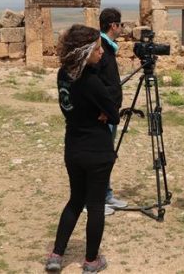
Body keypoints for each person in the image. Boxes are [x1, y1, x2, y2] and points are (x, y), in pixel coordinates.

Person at [45, 25, 118, 273]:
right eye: (97, 49)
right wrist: (103, 113)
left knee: (76, 199)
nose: (101, 53)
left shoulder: (62, 74)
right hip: (96, 149)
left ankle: (56, 254)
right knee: (95, 205)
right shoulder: (91, 81)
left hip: (73, 146)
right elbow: (114, 114)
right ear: (85, 52)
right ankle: (90, 261)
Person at [96, 8, 127, 215]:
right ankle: (95, 201)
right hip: (103, 113)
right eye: (120, 25)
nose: (122, 28)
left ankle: (106, 195)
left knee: (107, 154)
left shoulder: (107, 47)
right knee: (101, 156)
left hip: (110, 111)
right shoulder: (100, 49)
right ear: (113, 25)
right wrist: (102, 108)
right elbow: (96, 83)